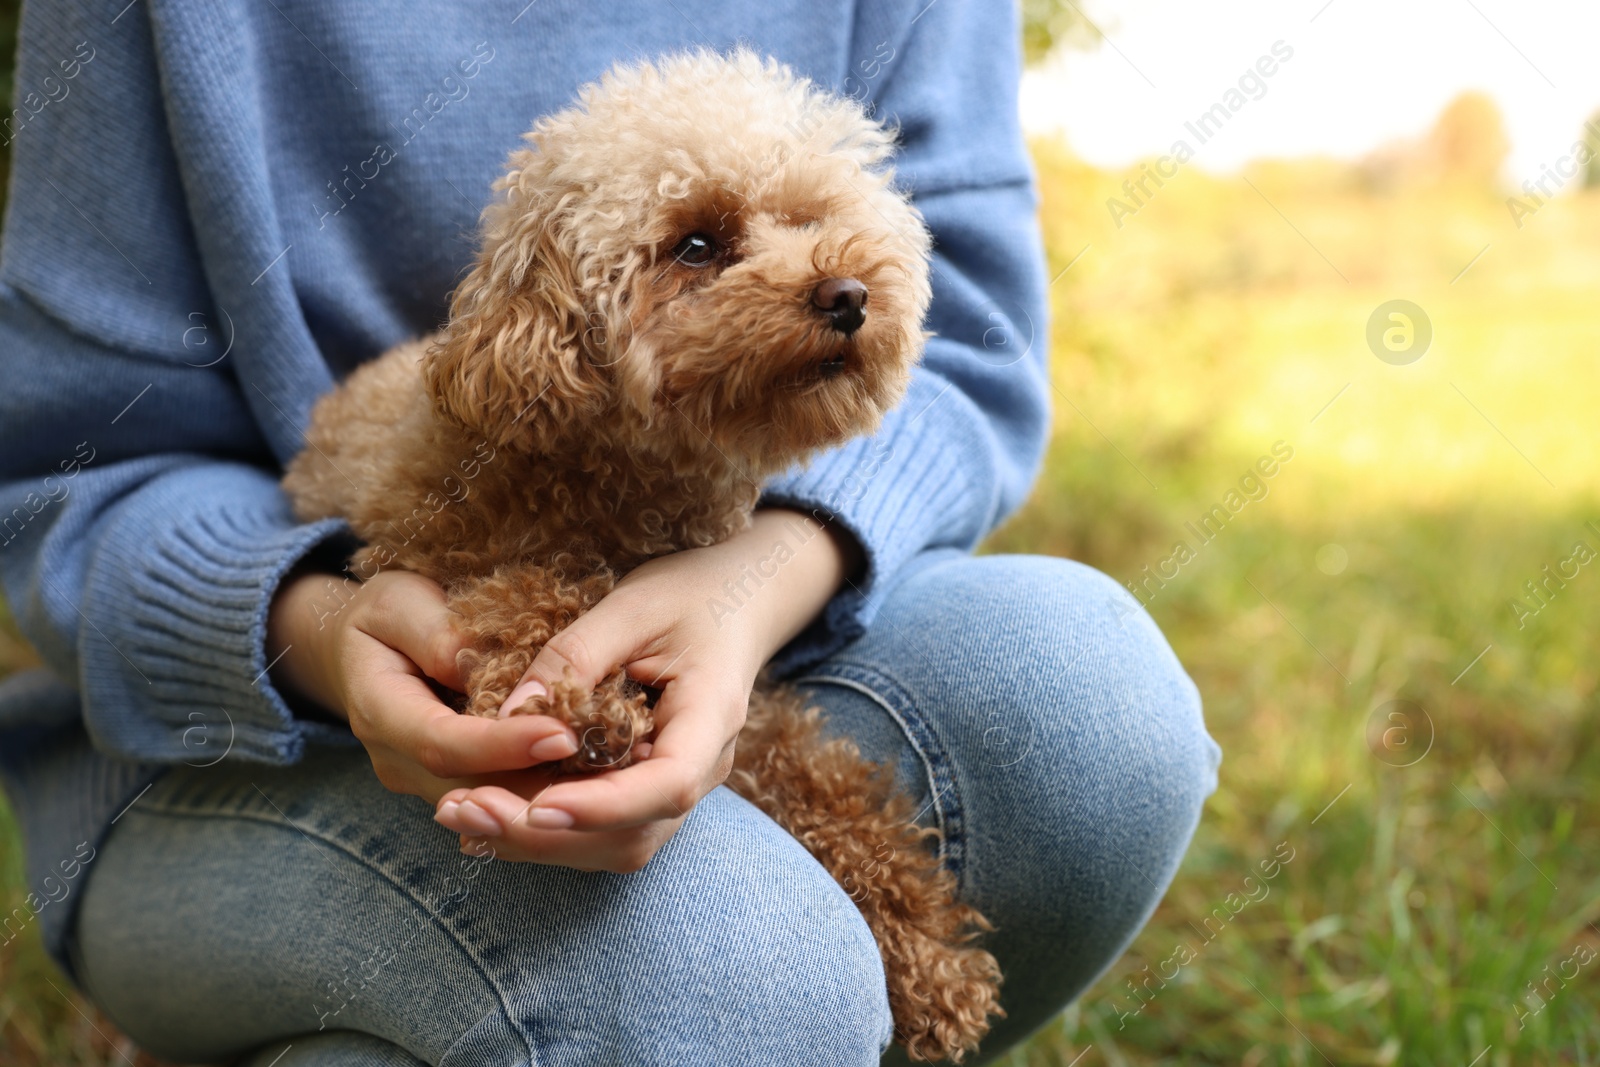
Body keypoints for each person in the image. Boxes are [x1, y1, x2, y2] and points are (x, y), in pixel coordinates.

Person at [0, 1, 1220, 1063]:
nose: (824, 283)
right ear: (567, 315)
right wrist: (314, 626)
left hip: (761, 588)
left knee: (1088, 709)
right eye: (702, 247)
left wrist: (752, 586)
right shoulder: (501, 455)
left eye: (814, 224)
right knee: (717, 956)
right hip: (230, 734)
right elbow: (68, 472)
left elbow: (969, 344)